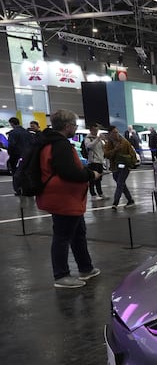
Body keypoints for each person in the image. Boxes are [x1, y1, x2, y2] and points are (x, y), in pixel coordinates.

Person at [35, 109, 102, 288]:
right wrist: (91, 174)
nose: (75, 128)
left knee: (78, 233)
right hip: (63, 199)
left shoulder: (49, 142)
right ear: (67, 126)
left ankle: (86, 268)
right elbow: (70, 173)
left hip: (66, 198)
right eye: (74, 125)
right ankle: (61, 275)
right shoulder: (60, 145)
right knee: (62, 236)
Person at [103, 125, 136, 209]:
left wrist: (131, 164)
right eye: (114, 133)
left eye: (117, 132)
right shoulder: (109, 144)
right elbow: (106, 155)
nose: (116, 134)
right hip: (115, 167)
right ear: (110, 134)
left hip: (125, 166)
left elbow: (132, 154)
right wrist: (115, 150)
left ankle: (115, 202)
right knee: (121, 184)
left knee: (120, 183)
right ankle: (130, 200)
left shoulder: (124, 142)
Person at [7, 117, 34, 194]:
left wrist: (10, 154)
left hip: (16, 156)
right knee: (26, 172)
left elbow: (11, 145)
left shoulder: (13, 133)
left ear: (12, 123)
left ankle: (18, 189)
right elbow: (32, 143)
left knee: (16, 173)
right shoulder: (27, 132)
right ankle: (27, 188)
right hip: (27, 156)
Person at [83, 123, 106, 199]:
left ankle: (100, 193)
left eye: (97, 130)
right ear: (90, 130)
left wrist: (104, 141)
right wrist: (98, 139)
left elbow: (103, 149)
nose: (96, 131)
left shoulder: (99, 139)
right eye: (94, 130)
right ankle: (93, 194)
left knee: (99, 179)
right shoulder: (88, 138)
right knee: (92, 179)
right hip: (93, 161)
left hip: (100, 161)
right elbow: (89, 146)